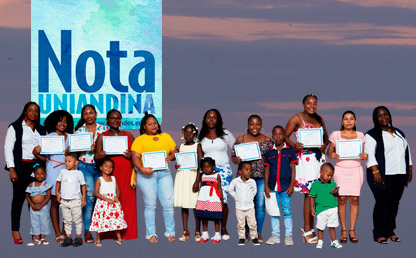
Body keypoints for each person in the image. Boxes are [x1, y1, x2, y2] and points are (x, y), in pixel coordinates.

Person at [365, 106, 413, 244]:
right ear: (375, 118)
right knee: (382, 204)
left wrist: (409, 169)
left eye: (385, 114)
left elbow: (406, 151)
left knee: (394, 204)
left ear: (390, 116)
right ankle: (379, 233)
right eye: (379, 115)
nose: (383, 117)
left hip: (399, 174)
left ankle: (390, 231)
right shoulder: (371, 135)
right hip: (382, 176)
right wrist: (375, 172)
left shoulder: (398, 132)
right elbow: (369, 155)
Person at [285, 94, 328, 244]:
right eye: (309, 103)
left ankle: (310, 229)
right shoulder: (297, 118)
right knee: (309, 194)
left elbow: (326, 138)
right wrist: (293, 145)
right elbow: (284, 136)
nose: (312, 106)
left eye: (315, 103)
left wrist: (324, 145)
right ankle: (307, 229)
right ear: (303, 104)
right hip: (305, 159)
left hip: (318, 159)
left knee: (316, 194)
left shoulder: (319, 119)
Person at [131, 112, 178, 243]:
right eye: (149, 124)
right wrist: (141, 169)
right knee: (150, 205)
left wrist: (170, 157)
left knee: (168, 204)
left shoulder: (166, 136)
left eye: (155, 123)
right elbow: (134, 157)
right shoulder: (140, 140)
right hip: (146, 175)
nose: (153, 125)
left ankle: (170, 232)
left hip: (164, 174)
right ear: (144, 126)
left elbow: (175, 151)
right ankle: (151, 234)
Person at [4, 101, 46, 244]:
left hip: (36, 168)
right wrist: (12, 169)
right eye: (30, 110)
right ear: (25, 112)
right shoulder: (15, 127)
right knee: (18, 199)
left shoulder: (41, 129)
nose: (33, 113)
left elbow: (46, 150)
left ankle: (36, 231)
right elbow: (8, 148)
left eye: (36, 111)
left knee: (35, 199)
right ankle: (15, 230)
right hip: (20, 166)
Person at [95, 109, 137, 240]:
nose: (115, 120)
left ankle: (127, 234)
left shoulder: (128, 135)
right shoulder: (102, 136)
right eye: (112, 118)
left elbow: (136, 156)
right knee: (109, 204)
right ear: (107, 120)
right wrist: (101, 155)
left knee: (127, 202)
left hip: (127, 173)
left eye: (118, 118)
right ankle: (109, 234)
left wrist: (131, 155)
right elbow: (96, 157)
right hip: (109, 175)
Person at [33, 110, 74, 243]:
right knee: (55, 202)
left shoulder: (71, 137)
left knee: (67, 203)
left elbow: (76, 156)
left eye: (65, 121)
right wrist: (40, 155)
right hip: (54, 171)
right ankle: (57, 233)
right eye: (60, 120)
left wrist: (71, 152)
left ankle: (64, 232)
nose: (62, 123)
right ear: (54, 122)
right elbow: (39, 153)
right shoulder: (49, 137)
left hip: (68, 171)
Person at [327, 110, 367, 243]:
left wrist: (365, 155)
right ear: (341, 121)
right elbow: (329, 152)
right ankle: (343, 230)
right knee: (342, 199)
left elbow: (364, 153)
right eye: (346, 119)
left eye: (351, 119)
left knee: (355, 199)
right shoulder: (336, 134)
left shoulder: (360, 135)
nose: (348, 121)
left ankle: (352, 230)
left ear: (355, 121)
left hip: (356, 170)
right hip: (340, 170)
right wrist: (333, 155)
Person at [231, 114, 273, 243]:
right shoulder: (241, 139)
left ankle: (258, 233)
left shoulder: (267, 140)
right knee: (245, 206)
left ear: (261, 125)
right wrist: (236, 159)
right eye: (252, 124)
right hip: (244, 180)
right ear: (248, 126)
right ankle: (246, 233)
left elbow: (272, 158)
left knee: (259, 206)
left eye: (257, 124)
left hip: (261, 178)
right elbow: (233, 157)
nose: (255, 127)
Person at [199, 109, 235, 240]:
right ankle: (208, 232)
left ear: (218, 119)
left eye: (214, 117)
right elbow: (199, 156)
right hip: (207, 172)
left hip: (224, 171)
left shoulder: (225, 134)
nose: (211, 120)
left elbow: (235, 150)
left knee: (222, 200)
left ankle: (223, 228)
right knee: (208, 200)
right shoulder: (201, 136)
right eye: (209, 117)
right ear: (205, 119)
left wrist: (238, 160)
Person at [74, 104, 107, 243]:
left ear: (96, 114)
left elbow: (109, 147)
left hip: (100, 168)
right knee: (89, 198)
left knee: (100, 199)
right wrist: (74, 148)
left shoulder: (104, 129)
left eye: (91, 113)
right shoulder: (79, 131)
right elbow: (74, 151)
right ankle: (87, 231)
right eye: (86, 113)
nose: (88, 116)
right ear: (83, 116)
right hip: (84, 166)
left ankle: (99, 229)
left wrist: (100, 149)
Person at [264, 125, 297, 246]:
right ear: (272, 136)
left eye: (281, 134)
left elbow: (293, 169)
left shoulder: (290, 151)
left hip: (285, 186)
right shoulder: (269, 153)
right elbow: (267, 170)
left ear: (284, 136)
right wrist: (266, 186)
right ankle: (275, 235)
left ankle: (289, 236)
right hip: (272, 187)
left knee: (287, 210)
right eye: (276, 134)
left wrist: (292, 184)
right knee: (274, 211)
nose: (278, 137)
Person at [174, 123, 202, 242]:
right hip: (182, 176)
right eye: (186, 132)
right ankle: (185, 230)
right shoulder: (181, 146)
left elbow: (200, 164)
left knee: (195, 205)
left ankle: (197, 230)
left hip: (193, 176)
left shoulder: (197, 146)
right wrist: (176, 165)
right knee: (184, 204)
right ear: (183, 134)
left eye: (191, 133)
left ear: (194, 134)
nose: (188, 135)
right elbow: (179, 161)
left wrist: (197, 181)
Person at [90, 158, 127, 247]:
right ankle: (98, 240)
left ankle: (119, 238)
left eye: (111, 167)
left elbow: (118, 190)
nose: (108, 168)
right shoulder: (99, 179)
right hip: (103, 204)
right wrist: (106, 199)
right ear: (101, 167)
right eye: (106, 166)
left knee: (115, 220)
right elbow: (96, 193)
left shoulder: (113, 179)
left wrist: (116, 197)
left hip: (113, 203)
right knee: (101, 221)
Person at [55, 153, 87, 247]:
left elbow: (83, 185)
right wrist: (57, 193)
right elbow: (58, 182)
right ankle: (68, 237)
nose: (67, 163)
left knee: (77, 219)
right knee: (66, 220)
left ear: (76, 162)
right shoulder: (62, 172)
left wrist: (83, 197)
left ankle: (78, 237)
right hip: (64, 201)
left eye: (69, 161)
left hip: (75, 201)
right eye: (65, 161)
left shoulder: (79, 173)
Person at [309, 163, 342, 249]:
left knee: (332, 226)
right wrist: (312, 208)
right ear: (321, 172)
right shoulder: (315, 184)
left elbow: (337, 195)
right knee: (321, 227)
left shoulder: (333, 183)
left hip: (333, 208)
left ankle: (334, 241)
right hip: (321, 209)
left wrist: (336, 192)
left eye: (331, 175)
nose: (329, 177)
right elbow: (312, 197)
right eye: (328, 175)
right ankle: (320, 241)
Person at [228, 161, 260, 246]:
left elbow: (254, 191)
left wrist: (250, 198)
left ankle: (254, 238)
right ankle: (241, 238)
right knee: (241, 224)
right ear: (240, 172)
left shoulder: (252, 182)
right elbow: (230, 189)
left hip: (250, 207)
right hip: (239, 207)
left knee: (252, 223)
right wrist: (236, 197)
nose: (249, 172)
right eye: (246, 170)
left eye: (250, 170)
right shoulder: (236, 181)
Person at [196, 157, 223, 244]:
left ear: (213, 166)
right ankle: (205, 234)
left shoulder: (216, 175)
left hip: (214, 199)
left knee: (216, 217)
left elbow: (219, 188)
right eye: (204, 167)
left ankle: (217, 235)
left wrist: (221, 200)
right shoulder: (203, 176)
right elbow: (201, 187)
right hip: (203, 199)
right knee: (204, 217)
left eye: (208, 167)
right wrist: (199, 199)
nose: (206, 169)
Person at [25, 164, 52, 246]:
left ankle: (43, 238)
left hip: (43, 207)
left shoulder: (45, 184)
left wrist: (42, 205)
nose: (39, 175)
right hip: (33, 207)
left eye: (41, 174)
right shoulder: (31, 185)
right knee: (35, 222)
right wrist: (32, 205)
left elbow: (49, 196)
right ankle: (37, 239)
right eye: (37, 173)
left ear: (45, 175)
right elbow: (27, 195)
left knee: (44, 222)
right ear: (34, 174)